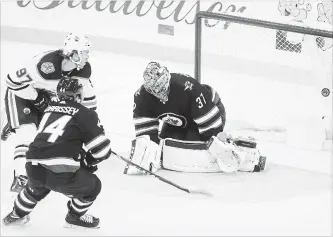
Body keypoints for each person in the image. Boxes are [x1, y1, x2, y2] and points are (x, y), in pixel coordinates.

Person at [2, 77, 111, 229]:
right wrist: (88, 161)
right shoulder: (86, 113)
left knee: (35, 188)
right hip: (60, 173)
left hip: (33, 164)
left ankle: (16, 215)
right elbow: (102, 150)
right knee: (93, 186)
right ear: (78, 95)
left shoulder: (49, 109)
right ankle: (74, 217)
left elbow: (56, 138)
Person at [125, 62, 266, 174]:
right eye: (155, 89)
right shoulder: (142, 97)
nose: (160, 92)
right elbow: (147, 137)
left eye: (162, 87)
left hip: (209, 111)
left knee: (206, 147)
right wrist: (147, 154)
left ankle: (246, 156)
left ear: (167, 77)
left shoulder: (188, 87)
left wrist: (216, 142)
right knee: (167, 146)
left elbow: (211, 129)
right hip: (178, 122)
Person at [1, 32, 97, 193]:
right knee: (27, 134)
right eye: (85, 52)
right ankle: (21, 177)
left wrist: (89, 130)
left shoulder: (83, 72)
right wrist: (36, 98)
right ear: (74, 54)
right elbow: (11, 81)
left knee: (47, 137)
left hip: (47, 99)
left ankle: (13, 122)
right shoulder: (46, 65)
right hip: (21, 95)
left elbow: (89, 104)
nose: (88, 56)